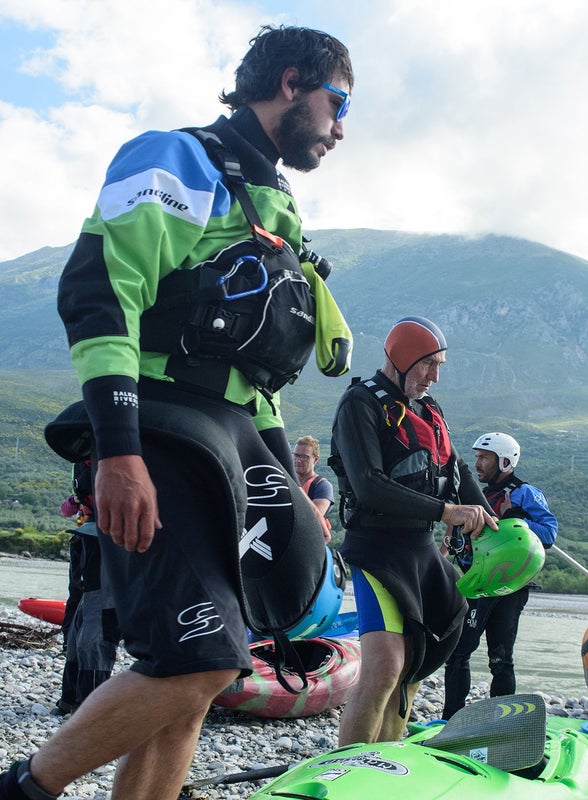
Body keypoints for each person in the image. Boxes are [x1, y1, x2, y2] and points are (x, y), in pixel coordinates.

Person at [0, 25, 354, 800]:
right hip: (160, 429)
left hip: (232, 444)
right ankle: (22, 787)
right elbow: (99, 290)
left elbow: (257, 372)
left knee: (207, 667)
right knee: (195, 659)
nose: (341, 128)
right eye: (338, 102)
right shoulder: (179, 158)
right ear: (292, 83)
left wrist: (281, 493)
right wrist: (118, 451)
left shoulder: (276, 204)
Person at [329, 316, 497, 745]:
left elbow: (457, 467)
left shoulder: (429, 410)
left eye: (439, 365)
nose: (434, 376)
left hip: (422, 552)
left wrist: (486, 515)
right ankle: (344, 769)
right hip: (377, 550)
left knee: (415, 665)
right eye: (427, 365)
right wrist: (447, 512)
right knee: (385, 667)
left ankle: (385, 762)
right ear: (402, 358)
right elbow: (368, 484)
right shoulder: (360, 405)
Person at [441, 432, 558, 719]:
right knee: (457, 654)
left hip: (509, 587)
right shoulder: (468, 492)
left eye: (484, 458)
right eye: (477, 457)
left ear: (505, 461)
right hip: (476, 579)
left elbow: (549, 533)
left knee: (501, 659)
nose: (477, 463)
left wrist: (514, 517)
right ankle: (450, 719)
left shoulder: (524, 494)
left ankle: (502, 723)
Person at [54, 459, 120, 717]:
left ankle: (71, 697)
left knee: (84, 612)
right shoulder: (112, 451)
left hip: (86, 539)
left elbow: (68, 507)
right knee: (100, 617)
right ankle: (90, 703)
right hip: (104, 542)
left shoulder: (81, 458)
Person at [293, 435, 334, 542]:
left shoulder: (322, 486)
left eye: (304, 457)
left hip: (311, 543)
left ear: (315, 459)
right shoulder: (286, 480)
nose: (298, 460)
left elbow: (313, 519)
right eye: (296, 455)